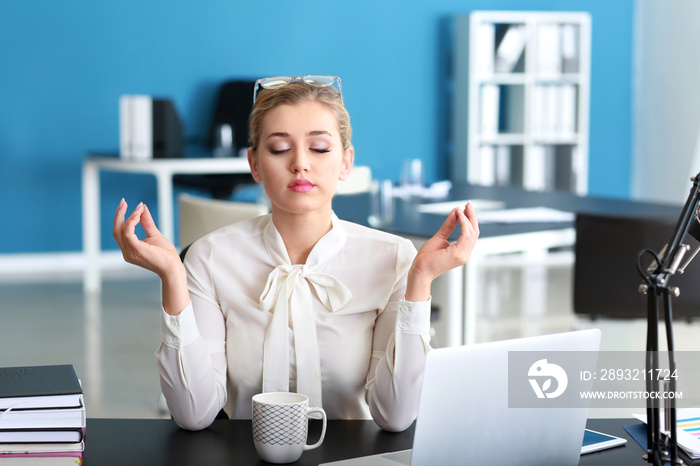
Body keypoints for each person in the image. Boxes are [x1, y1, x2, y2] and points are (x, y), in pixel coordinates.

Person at [113, 75, 479, 432]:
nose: (301, 163)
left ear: (346, 162)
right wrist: (172, 277)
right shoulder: (209, 257)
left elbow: (395, 416)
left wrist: (421, 282)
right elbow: (194, 414)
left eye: (319, 148)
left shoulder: (393, 258)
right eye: (279, 148)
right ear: (254, 164)